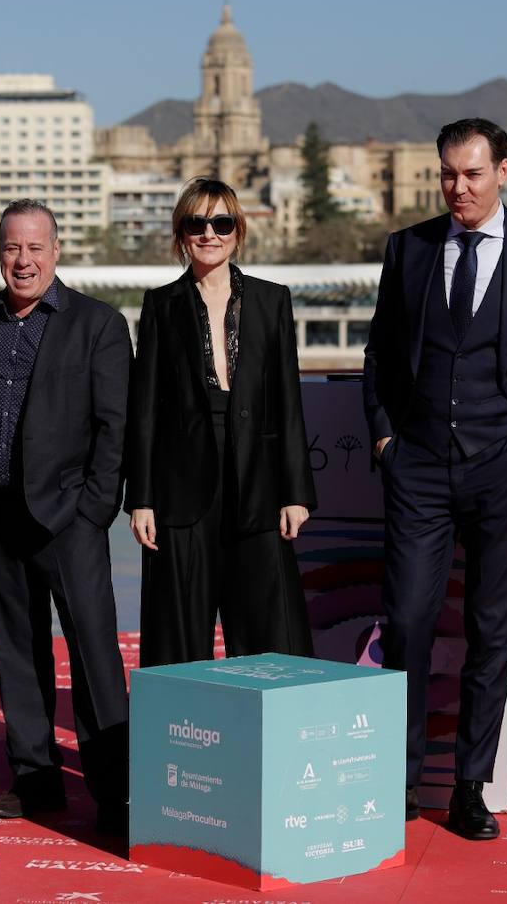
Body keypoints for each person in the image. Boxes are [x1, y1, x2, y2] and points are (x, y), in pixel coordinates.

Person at [362, 118, 507, 840]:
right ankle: (400, 784)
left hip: (503, 467)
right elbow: (379, 355)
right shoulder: (409, 249)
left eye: (470, 173)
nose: (456, 188)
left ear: (503, 170)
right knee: (405, 622)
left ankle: (470, 785)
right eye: (446, 175)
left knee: (491, 629)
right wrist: (385, 440)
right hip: (420, 465)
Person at [0, 199, 131, 835]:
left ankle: (115, 791)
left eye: (34, 248)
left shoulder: (98, 324)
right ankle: (34, 780)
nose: (22, 261)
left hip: (69, 519)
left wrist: (94, 509)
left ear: (56, 251)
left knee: (93, 654)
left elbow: (115, 428)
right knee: (16, 651)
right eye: (10, 248)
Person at [124, 177, 315, 667]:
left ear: (238, 231)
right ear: (181, 233)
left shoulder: (273, 301)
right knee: (179, 627)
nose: (209, 233)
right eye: (196, 223)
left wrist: (295, 492)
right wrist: (140, 499)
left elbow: (288, 400)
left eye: (221, 222)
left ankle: (271, 732)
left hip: (259, 480)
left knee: (267, 622)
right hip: (180, 488)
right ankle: (179, 734)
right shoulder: (160, 306)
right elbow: (144, 409)